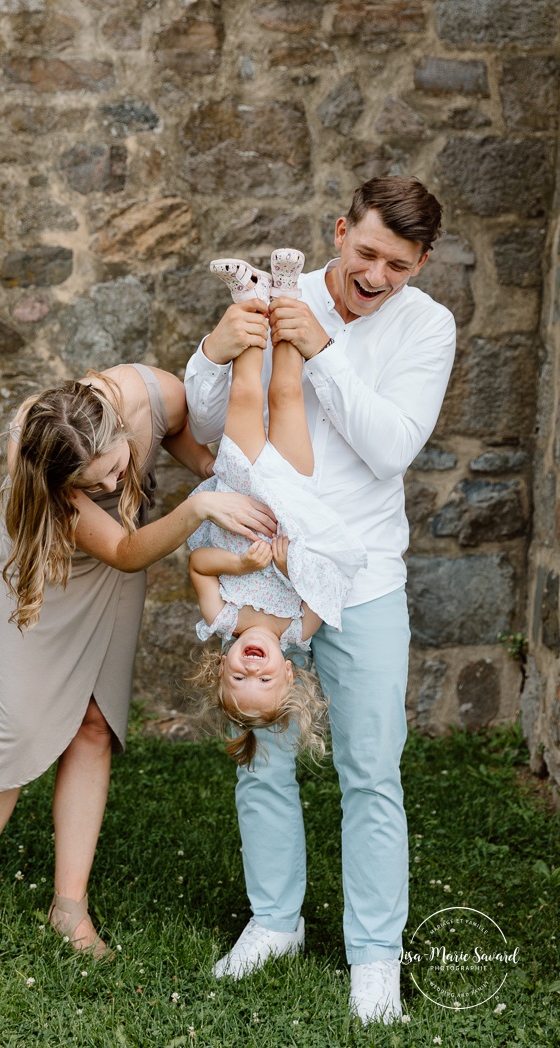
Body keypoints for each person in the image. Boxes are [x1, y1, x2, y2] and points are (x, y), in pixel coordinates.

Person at [184, 177, 456, 1024]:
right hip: (258, 574)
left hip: (361, 572)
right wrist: (213, 346)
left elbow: (390, 450)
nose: (375, 275)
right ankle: (274, 922)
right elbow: (204, 422)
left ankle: (374, 956)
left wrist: (326, 352)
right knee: (259, 758)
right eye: (365, 252)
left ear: (421, 264)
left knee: (369, 770)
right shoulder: (280, 292)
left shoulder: (428, 326)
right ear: (340, 232)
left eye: (397, 266)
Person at [0, 362, 276, 958]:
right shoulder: (39, 464)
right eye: (94, 484)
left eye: (116, 467)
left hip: (117, 570)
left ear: (117, 425)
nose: (113, 483)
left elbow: (178, 437)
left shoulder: (152, 393)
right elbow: (123, 548)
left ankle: (70, 905)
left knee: (94, 723)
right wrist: (196, 511)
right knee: (16, 729)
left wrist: (214, 473)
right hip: (44, 566)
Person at [187, 250, 366, 768]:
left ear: (221, 668)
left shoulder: (221, 618)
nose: (252, 670)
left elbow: (198, 564)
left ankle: (249, 298)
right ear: (289, 674)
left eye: (240, 678)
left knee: (246, 396)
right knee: (287, 394)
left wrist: (241, 565)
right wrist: (289, 566)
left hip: (243, 491)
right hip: (293, 498)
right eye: (264, 680)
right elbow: (325, 583)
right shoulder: (298, 631)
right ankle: (287, 293)